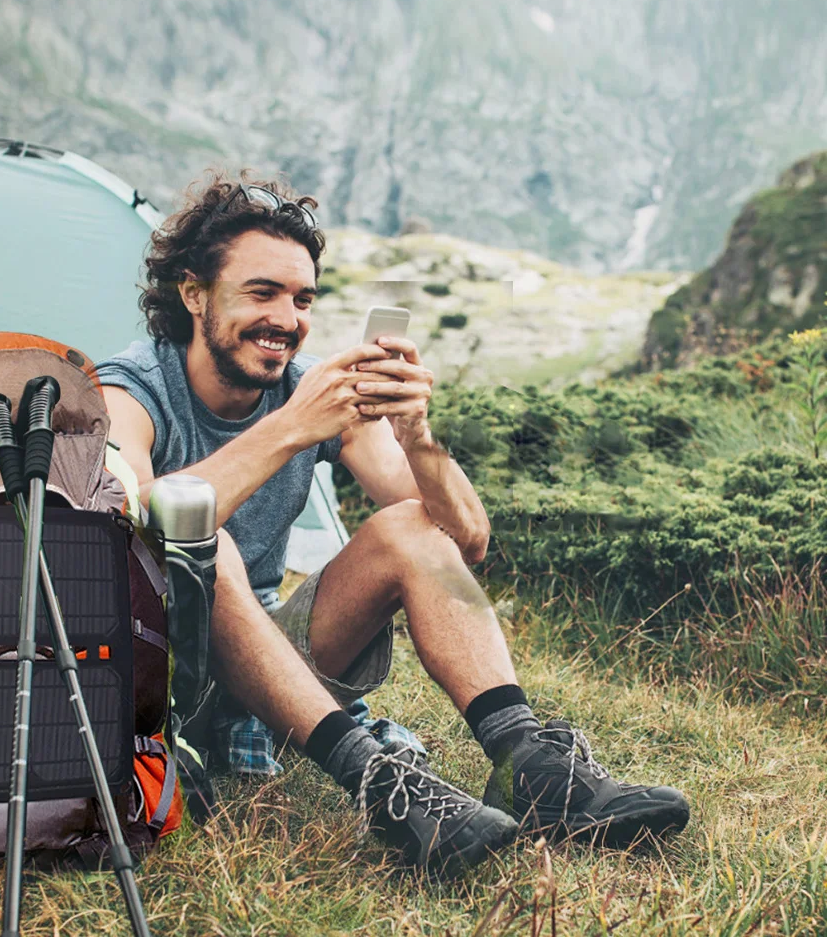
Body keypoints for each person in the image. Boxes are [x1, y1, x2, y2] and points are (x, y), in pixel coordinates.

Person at [96, 172, 689, 876]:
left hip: (266, 665)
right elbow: (127, 524)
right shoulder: (129, 389)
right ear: (193, 294)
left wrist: (416, 432)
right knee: (200, 537)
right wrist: (290, 429)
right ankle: (379, 783)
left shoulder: (308, 388)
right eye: (262, 293)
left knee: (411, 523)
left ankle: (531, 766)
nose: (287, 319)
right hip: (161, 672)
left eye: (303, 298)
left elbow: (462, 538)